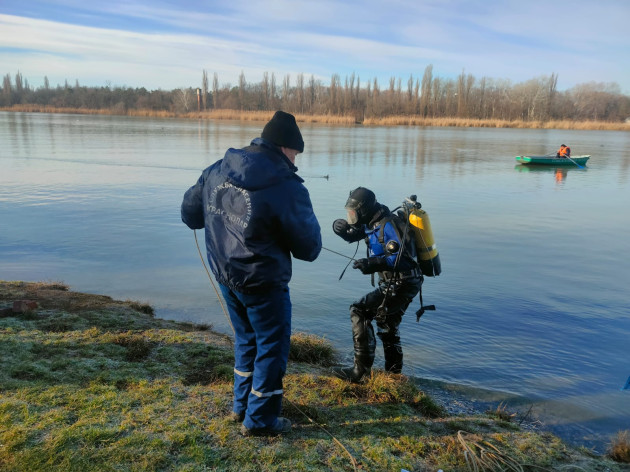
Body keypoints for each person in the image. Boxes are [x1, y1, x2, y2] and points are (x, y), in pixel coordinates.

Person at [181, 110, 322, 436]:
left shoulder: (217, 169)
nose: (295, 161)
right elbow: (310, 249)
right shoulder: (287, 187)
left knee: (246, 340)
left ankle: (241, 406)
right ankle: (259, 421)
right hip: (263, 283)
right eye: (295, 153)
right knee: (271, 350)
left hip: (226, 276)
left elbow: (190, 214)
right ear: (285, 147)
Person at [331, 187, 422, 382]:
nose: (352, 216)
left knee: (359, 310)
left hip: (402, 282)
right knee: (387, 325)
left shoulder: (389, 225)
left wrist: (373, 263)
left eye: (354, 212)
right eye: (350, 213)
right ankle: (394, 377)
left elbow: (406, 260)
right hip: (400, 282)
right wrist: (338, 227)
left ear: (364, 209)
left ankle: (361, 372)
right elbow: (353, 233)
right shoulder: (370, 222)